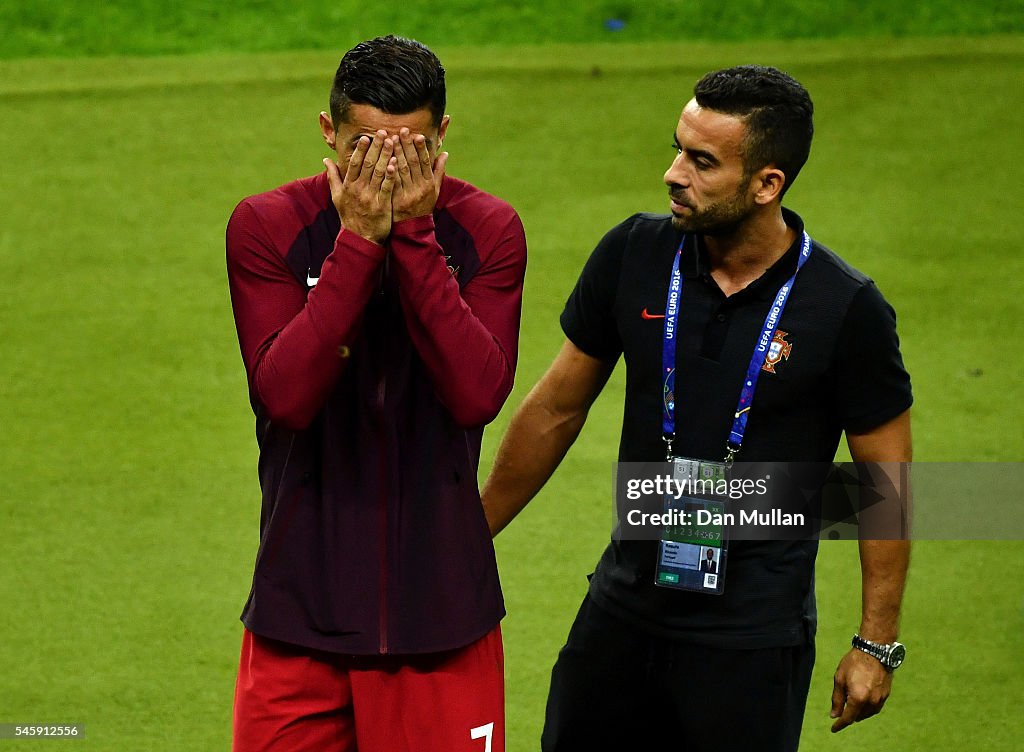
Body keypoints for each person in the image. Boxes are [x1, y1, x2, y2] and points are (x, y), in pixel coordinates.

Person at [482, 65, 912, 751]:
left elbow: (883, 487)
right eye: (678, 147)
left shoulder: (845, 308)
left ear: (767, 183)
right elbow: (557, 407)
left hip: (751, 640)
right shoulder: (634, 252)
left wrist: (875, 643)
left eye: (702, 161)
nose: (673, 173)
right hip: (620, 615)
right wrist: (474, 535)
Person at [226, 35, 526, 752]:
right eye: (364, 147)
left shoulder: (487, 229)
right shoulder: (268, 226)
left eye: (411, 148)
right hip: (300, 617)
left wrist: (415, 237)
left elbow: (476, 393)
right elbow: (287, 398)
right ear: (328, 132)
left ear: (443, 136)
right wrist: (359, 242)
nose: (387, 170)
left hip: (442, 620)